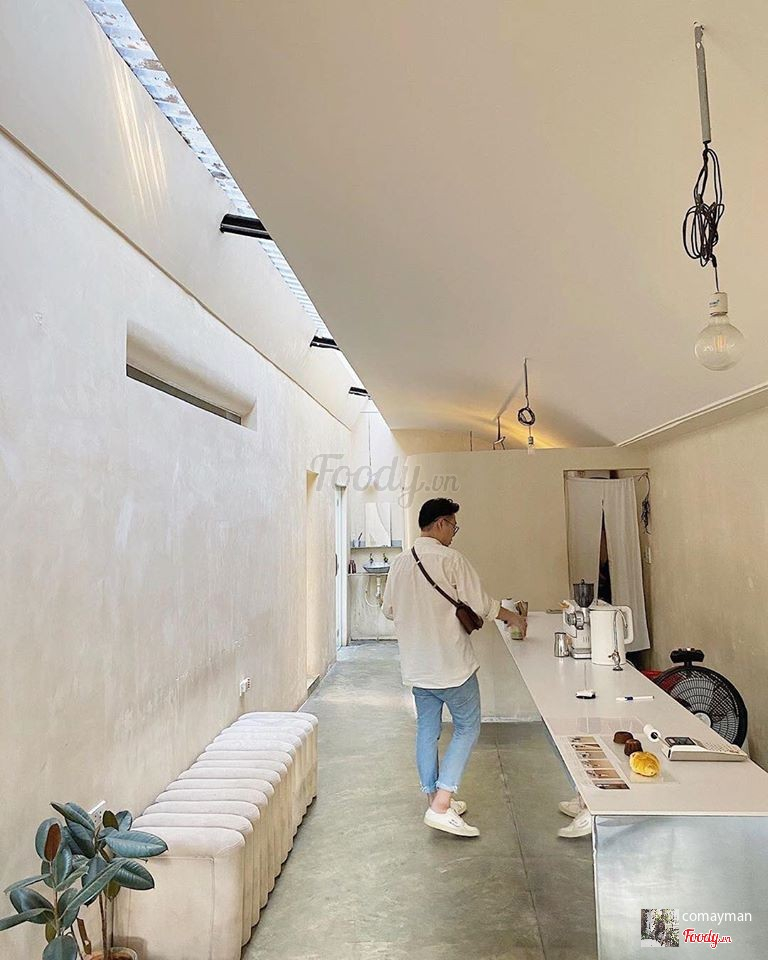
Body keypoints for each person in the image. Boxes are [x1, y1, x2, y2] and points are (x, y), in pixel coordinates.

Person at [382, 498, 527, 837]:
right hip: (452, 666)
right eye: (454, 527)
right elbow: (482, 604)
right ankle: (442, 804)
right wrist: (512, 616)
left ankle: (433, 798)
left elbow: (389, 610)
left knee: (427, 731)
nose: (454, 534)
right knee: (467, 728)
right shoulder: (451, 559)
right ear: (441, 523)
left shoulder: (400, 563)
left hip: (418, 667)